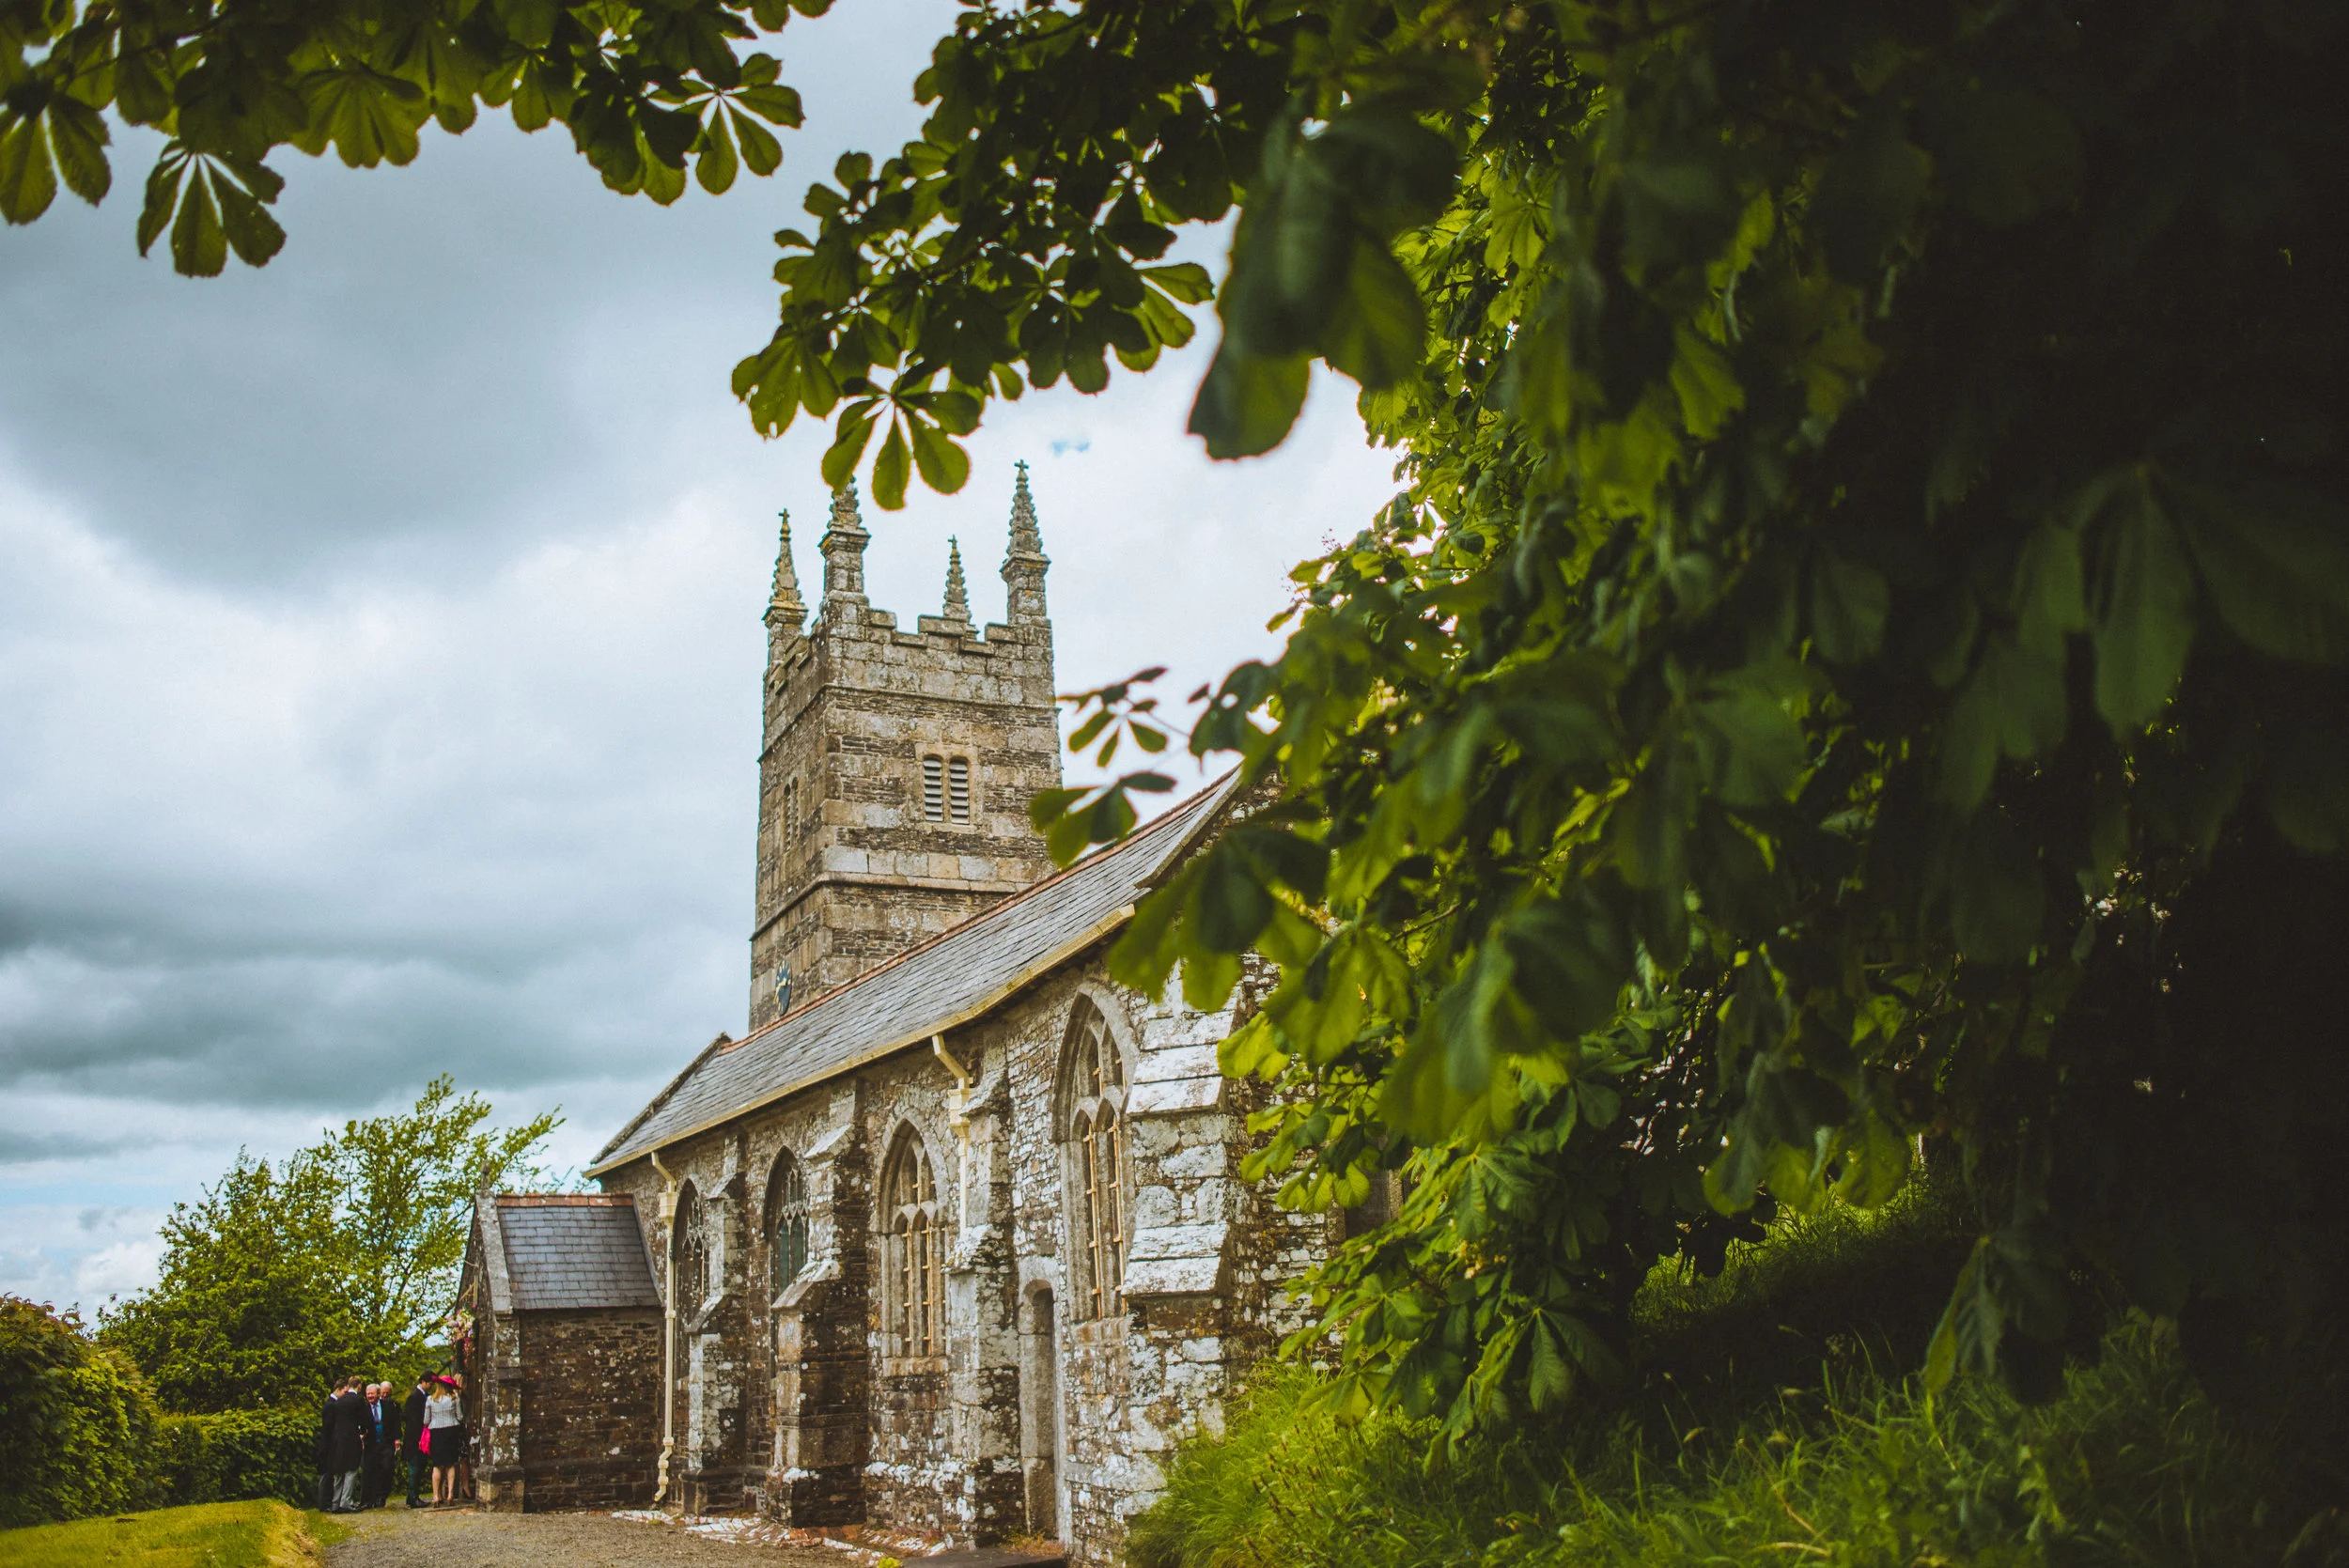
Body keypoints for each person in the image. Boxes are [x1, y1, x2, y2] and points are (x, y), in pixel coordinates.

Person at [326, 1376, 369, 1513]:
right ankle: (346, 1501)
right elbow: (364, 1419)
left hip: (338, 1439)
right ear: (359, 1386)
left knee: (339, 1471)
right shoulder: (358, 1400)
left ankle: (335, 1502)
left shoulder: (339, 1401)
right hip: (351, 1438)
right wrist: (363, 1432)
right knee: (352, 1469)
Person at [423, 1374, 464, 1506]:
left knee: (437, 1465)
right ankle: (450, 1494)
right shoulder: (454, 1398)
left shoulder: (430, 1399)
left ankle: (435, 1496)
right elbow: (460, 1417)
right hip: (451, 1431)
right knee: (450, 1464)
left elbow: (426, 1420)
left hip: (436, 1432)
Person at [361, 1382, 396, 1508]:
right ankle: (368, 1500)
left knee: (386, 1468)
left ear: (378, 1394)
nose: (369, 1396)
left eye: (372, 1394)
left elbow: (394, 1422)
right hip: (371, 1444)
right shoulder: (363, 1408)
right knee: (369, 1470)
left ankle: (381, 1496)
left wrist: (396, 1438)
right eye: (367, 1394)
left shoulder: (388, 1406)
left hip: (386, 1443)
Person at [400, 1375, 430, 1507]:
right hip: (414, 1439)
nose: (431, 1385)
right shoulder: (415, 1397)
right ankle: (413, 1497)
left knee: (419, 1467)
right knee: (415, 1468)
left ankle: (412, 1496)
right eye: (429, 1383)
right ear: (422, 1382)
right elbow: (411, 1420)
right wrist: (418, 1438)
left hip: (420, 1438)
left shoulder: (422, 1396)